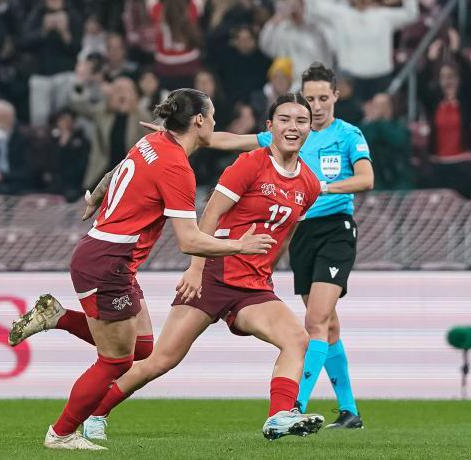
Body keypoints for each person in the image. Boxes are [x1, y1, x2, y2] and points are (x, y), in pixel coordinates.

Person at [21, 88, 275, 451]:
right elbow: (189, 241)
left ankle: (57, 317)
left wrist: (96, 194)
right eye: (213, 115)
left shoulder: (151, 141)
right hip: (108, 262)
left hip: (108, 259)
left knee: (142, 348)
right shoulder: (176, 168)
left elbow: (116, 170)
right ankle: (60, 434)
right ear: (199, 120)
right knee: (115, 361)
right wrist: (239, 245)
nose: (215, 122)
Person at [78, 93, 326, 442]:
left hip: (253, 287)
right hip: (213, 275)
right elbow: (209, 215)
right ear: (270, 127)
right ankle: (96, 412)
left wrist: (268, 271)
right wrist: (195, 270)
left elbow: (284, 235)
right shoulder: (250, 164)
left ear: (310, 129)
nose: (293, 127)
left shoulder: (310, 185)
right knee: (161, 360)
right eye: (285, 119)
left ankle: (279, 416)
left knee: (297, 339)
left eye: (301, 121)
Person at [143, 62, 374, 429]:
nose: (315, 105)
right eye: (310, 97)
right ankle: (348, 411)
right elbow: (228, 140)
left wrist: (324, 188)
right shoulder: (284, 132)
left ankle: (293, 404)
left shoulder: (347, 135)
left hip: (334, 228)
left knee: (314, 320)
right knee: (326, 325)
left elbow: (366, 178)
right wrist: (175, 133)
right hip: (294, 231)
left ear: (335, 97)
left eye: (322, 98)